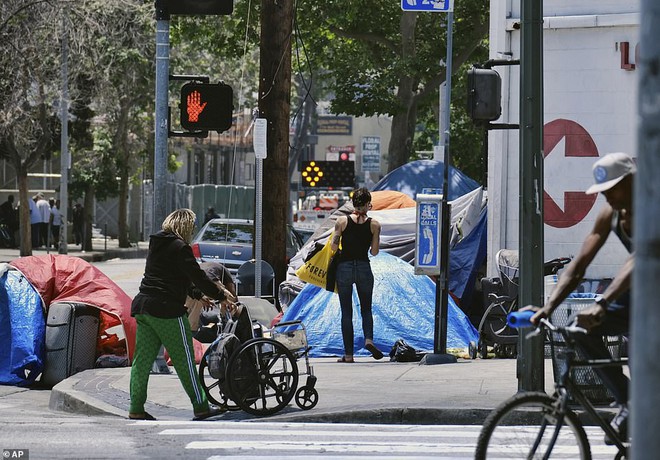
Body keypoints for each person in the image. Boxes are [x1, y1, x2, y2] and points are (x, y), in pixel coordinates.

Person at [530, 152, 635, 445]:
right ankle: (628, 402)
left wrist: (601, 304)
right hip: (640, 294)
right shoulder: (610, 213)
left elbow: (638, 262)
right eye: (603, 192)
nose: (607, 197)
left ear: (631, 181)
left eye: (612, 189)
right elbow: (578, 266)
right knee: (579, 327)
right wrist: (549, 307)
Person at [129, 208, 238, 421]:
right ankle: (201, 406)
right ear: (186, 226)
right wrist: (219, 295)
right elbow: (197, 276)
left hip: (144, 307)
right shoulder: (181, 247)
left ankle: (136, 407)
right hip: (166, 310)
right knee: (186, 361)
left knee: (141, 362)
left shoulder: (157, 244)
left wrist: (197, 295)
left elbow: (171, 277)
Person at [331, 187, 383, 363]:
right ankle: (368, 339)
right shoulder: (374, 224)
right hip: (363, 267)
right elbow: (374, 252)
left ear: (353, 203)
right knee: (366, 308)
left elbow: (333, 247)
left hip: (344, 268)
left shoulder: (341, 221)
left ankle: (348, 355)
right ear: (368, 204)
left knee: (346, 311)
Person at [185, 261, 236, 335]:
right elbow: (231, 290)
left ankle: (190, 332)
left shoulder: (204, 265)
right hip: (210, 281)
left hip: (194, 281)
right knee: (230, 300)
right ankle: (228, 324)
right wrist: (233, 300)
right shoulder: (225, 271)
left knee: (191, 308)